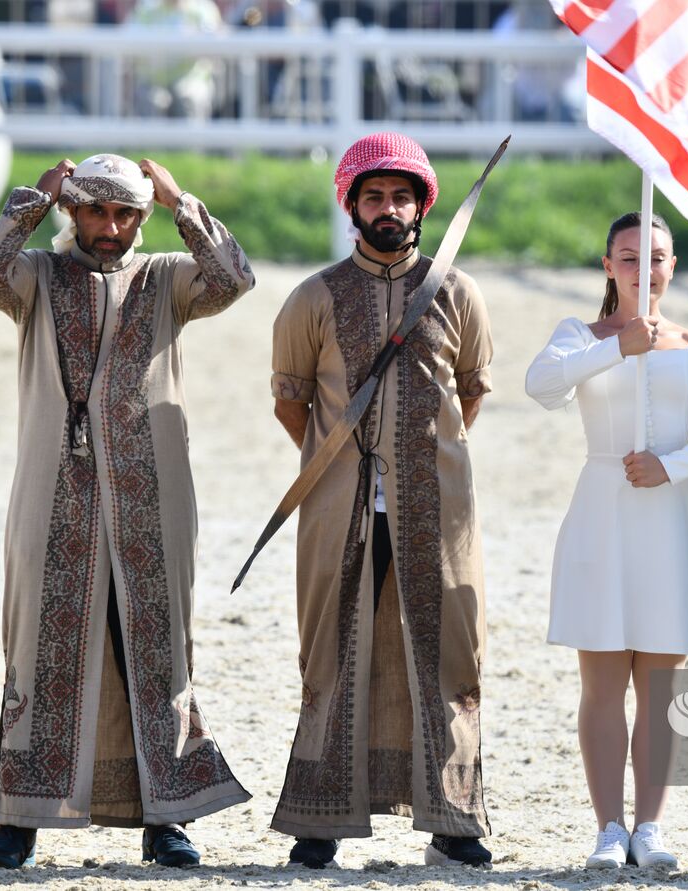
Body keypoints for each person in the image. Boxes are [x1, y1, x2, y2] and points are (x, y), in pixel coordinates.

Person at [0, 153, 256, 868]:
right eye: (95, 211)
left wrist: (183, 203)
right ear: (72, 212)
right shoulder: (37, 277)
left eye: (125, 214)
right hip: (52, 496)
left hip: (152, 499)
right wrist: (34, 199)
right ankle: (20, 819)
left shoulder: (164, 280)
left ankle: (167, 818)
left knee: (153, 644)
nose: (110, 228)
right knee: (36, 644)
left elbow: (232, 279)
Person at [270, 132, 495, 868]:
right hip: (339, 510)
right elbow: (293, 405)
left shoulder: (458, 292)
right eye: (374, 196)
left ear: (421, 206)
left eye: (401, 196)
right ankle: (320, 819)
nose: (388, 208)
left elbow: (470, 395)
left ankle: (454, 820)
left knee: (447, 651)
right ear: (352, 206)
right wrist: (349, 466)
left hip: (438, 510)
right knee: (333, 649)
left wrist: (418, 463)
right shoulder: (313, 297)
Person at [525, 212, 688, 870]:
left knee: (660, 686)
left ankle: (649, 825)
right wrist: (616, 348)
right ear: (607, 265)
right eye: (628, 257)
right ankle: (608, 826)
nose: (642, 269)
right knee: (601, 684)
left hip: (672, 515)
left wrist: (673, 463)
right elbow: (541, 385)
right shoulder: (580, 335)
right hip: (602, 514)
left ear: (672, 266)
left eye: (655, 257)